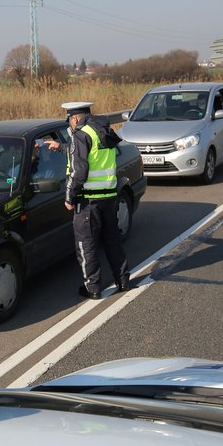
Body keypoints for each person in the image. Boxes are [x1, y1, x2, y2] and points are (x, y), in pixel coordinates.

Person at [60, 102, 130, 299]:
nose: (70, 125)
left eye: (69, 121)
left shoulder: (80, 134)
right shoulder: (102, 129)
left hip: (88, 201)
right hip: (108, 196)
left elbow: (79, 171)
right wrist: (62, 148)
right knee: (112, 241)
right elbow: (93, 155)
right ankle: (123, 280)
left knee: (87, 246)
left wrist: (69, 197)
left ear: (74, 119)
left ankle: (93, 288)